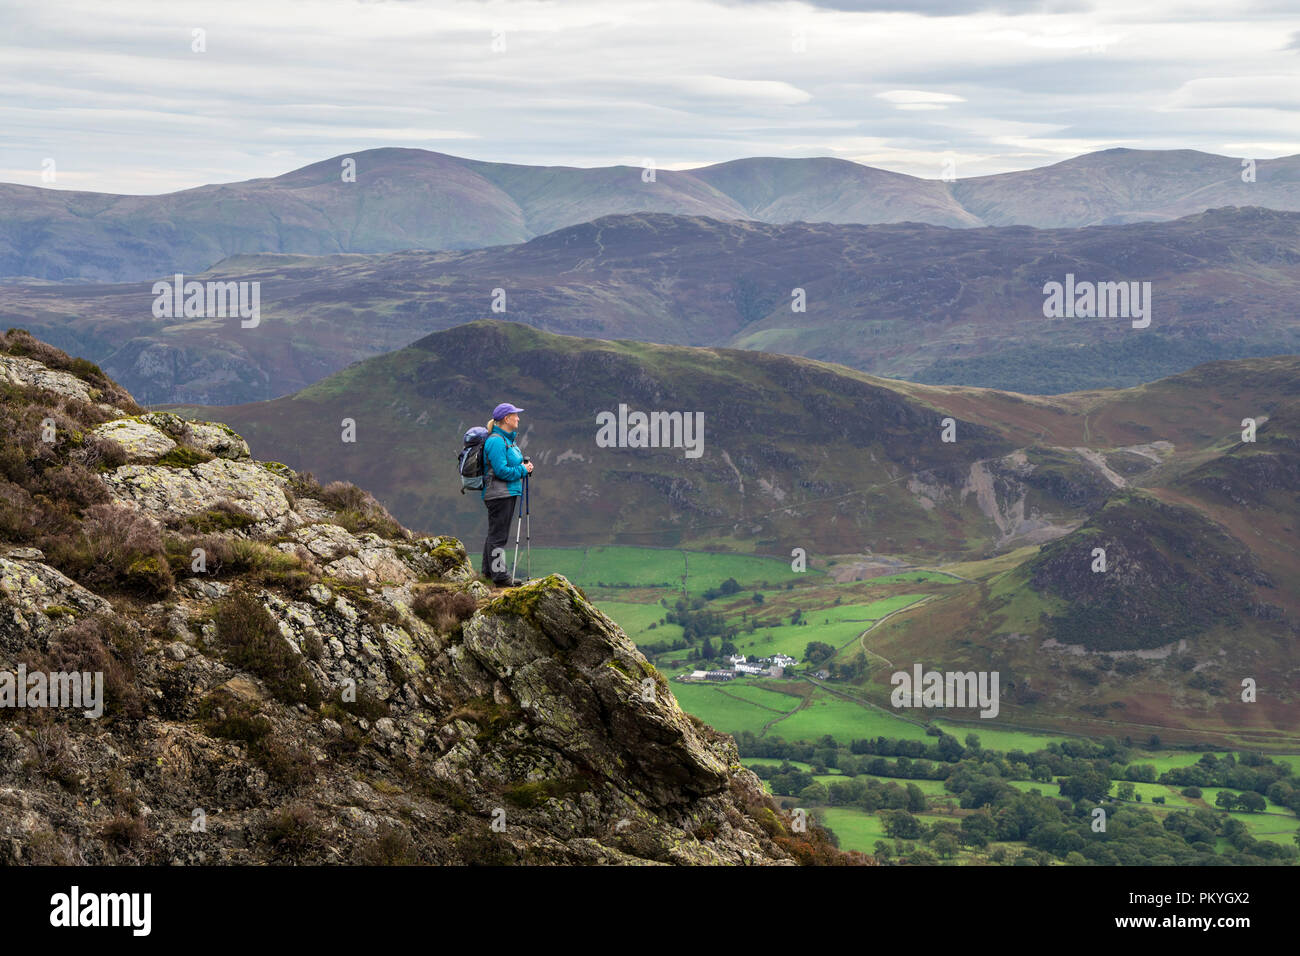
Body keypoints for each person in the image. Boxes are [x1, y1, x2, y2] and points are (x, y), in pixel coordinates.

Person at [480, 402, 534, 587]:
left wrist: (524, 468)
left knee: (495, 533)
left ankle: (488, 572)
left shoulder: (507, 440)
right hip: (499, 494)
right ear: (506, 419)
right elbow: (501, 471)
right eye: (515, 415)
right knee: (499, 536)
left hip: (505, 493)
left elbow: (509, 466)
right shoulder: (496, 441)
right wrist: (522, 470)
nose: (518, 418)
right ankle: (500, 576)